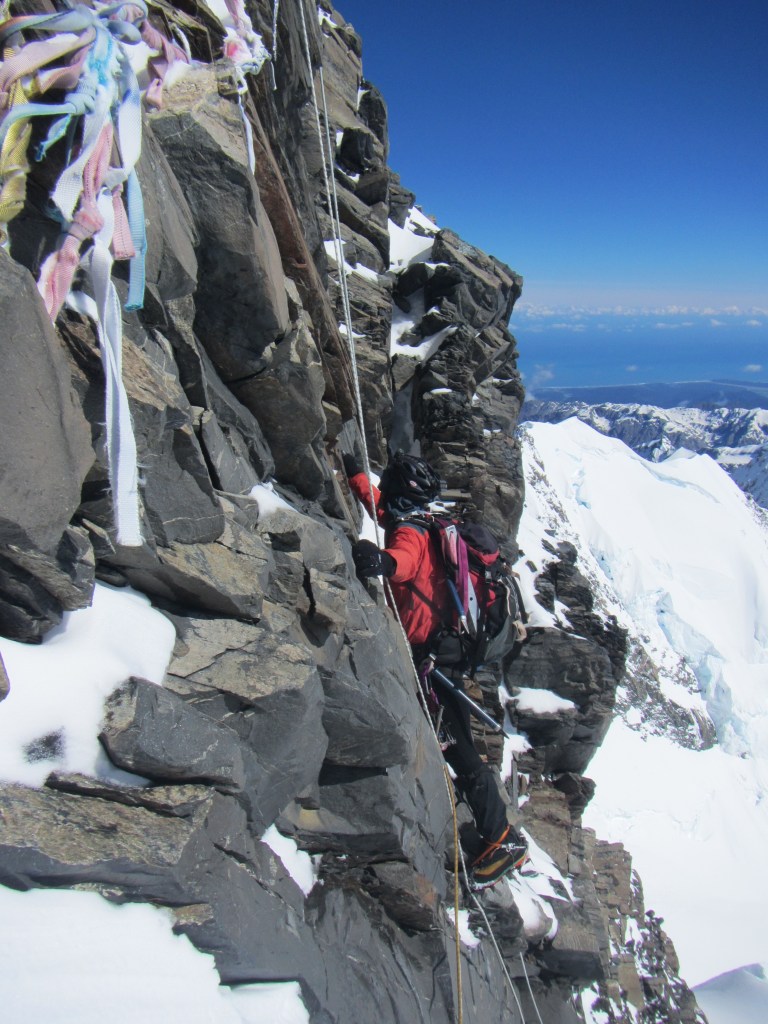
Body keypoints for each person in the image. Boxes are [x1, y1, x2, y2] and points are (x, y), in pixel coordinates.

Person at [343, 450, 528, 889]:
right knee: (454, 737)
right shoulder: (425, 521)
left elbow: (403, 559)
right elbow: (382, 507)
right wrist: (355, 478)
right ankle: (495, 832)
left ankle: (501, 837)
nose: (382, 495)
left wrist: (382, 563)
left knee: (458, 745)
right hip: (444, 647)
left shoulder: (409, 532)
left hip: (430, 655)